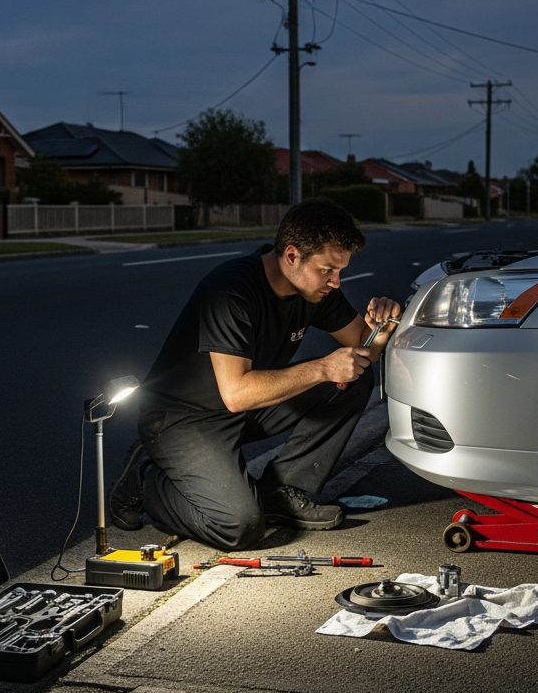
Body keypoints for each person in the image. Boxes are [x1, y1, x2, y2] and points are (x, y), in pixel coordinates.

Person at [107, 197, 401, 550]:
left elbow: (364, 351)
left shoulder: (314, 290)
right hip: (184, 420)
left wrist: (382, 327)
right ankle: (145, 477)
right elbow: (236, 394)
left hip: (246, 407)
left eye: (340, 270)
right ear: (291, 255)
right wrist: (323, 367)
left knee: (355, 377)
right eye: (327, 270)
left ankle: (280, 492)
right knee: (239, 527)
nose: (336, 282)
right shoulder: (232, 290)